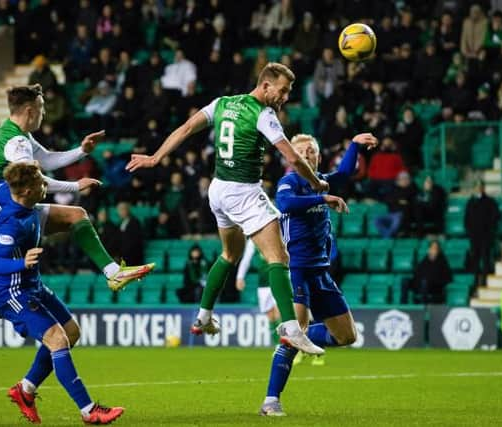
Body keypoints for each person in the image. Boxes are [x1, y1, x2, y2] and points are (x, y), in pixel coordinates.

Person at [127, 62, 335, 355]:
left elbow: (187, 128)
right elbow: (294, 159)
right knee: (279, 257)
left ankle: (203, 315)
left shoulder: (222, 104)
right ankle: (291, 328)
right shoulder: (264, 114)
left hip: (218, 190)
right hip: (244, 192)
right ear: (265, 86)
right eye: (283, 91)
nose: (285, 97)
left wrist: (155, 157)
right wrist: (317, 184)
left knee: (229, 254)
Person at [0, 84, 154, 363]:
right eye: (42, 109)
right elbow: (36, 181)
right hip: (0, 220)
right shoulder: (16, 143)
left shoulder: (17, 135)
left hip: (15, 211)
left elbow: (46, 159)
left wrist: (81, 151)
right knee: (20, 291)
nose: (44, 114)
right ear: (30, 110)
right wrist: (74, 186)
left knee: (76, 216)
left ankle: (112, 272)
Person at [0, 161, 123, 424]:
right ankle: (89, 410)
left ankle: (25, 390)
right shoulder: (11, 223)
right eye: (42, 183)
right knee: (57, 340)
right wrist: (22, 262)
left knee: (71, 332)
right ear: (27, 191)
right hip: (13, 292)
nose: (46, 186)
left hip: (33, 285)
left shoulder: (7, 191)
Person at [260, 133, 376, 416]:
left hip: (321, 272)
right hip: (297, 269)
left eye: (311, 150)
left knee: (347, 337)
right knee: (295, 332)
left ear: (318, 157)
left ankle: (295, 334)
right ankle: (270, 401)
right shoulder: (290, 181)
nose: (306, 154)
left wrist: (354, 145)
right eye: (300, 151)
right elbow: (286, 205)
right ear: (292, 158)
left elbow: (347, 172)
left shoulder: (322, 180)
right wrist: (323, 198)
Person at [236, 239, 280, 344]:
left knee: (280, 312)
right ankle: (278, 344)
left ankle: (286, 347)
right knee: (270, 315)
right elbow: (246, 259)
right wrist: (240, 277)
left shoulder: (279, 233)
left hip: (279, 278)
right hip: (263, 282)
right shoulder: (253, 239)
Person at [465, 181, 500, 286]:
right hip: (474, 236)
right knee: (475, 259)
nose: (479, 188)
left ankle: (485, 280)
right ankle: (475, 281)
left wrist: (489, 229)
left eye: (481, 186)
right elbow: (467, 219)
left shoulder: (490, 201)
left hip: (486, 235)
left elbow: (496, 216)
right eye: (477, 187)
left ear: (484, 188)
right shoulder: (470, 202)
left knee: (485, 258)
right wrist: (470, 231)